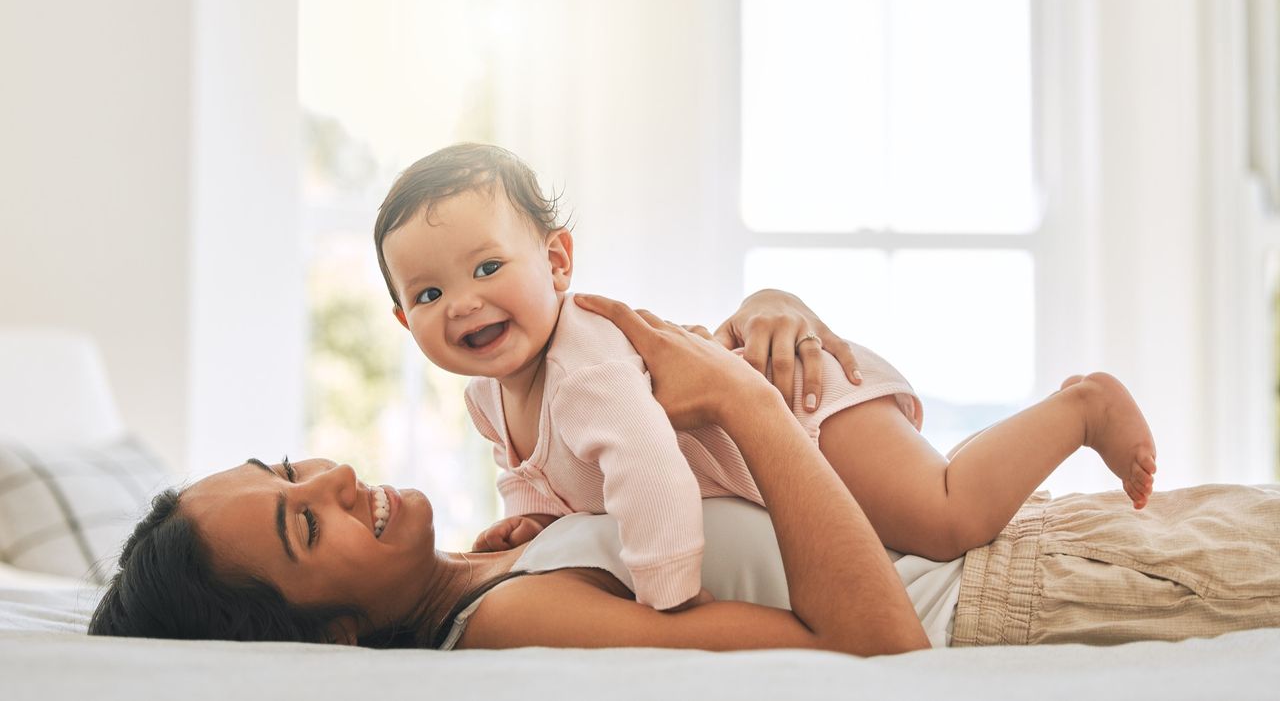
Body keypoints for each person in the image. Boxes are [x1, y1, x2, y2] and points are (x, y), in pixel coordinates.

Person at [87, 293, 1280, 651]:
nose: (337, 475)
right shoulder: (512, 624)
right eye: (305, 526)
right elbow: (870, 656)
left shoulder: (501, 548)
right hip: (1004, 600)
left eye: (291, 465)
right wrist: (759, 408)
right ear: (327, 640)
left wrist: (769, 327)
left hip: (1051, 537)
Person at [372, 143, 1158, 611]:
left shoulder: (585, 366)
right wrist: (536, 526)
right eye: (431, 293)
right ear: (406, 322)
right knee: (907, 537)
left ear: (556, 263)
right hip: (774, 453)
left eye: (487, 266)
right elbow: (542, 475)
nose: (464, 303)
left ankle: (1080, 409)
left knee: (946, 515)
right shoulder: (488, 398)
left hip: (802, 408)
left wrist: (670, 596)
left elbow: (653, 480)